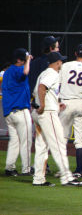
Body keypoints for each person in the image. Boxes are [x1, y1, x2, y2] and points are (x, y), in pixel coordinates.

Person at [32, 51, 82, 186]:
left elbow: (37, 92)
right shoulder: (52, 74)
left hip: (40, 114)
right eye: (60, 61)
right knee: (59, 145)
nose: (62, 63)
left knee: (42, 147)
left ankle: (38, 178)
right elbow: (41, 87)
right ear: (57, 63)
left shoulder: (43, 73)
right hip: (47, 113)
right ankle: (67, 178)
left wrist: (55, 103)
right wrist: (44, 105)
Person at [58, 44, 82, 177]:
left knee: (62, 137)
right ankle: (79, 170)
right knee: (80, 140)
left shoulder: (65, 66)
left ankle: (63, 169)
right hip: (81, 104)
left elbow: (59, 85)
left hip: (66, 103)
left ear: (75, 53)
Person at [2, 48, 33, 176]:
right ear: (20, 60)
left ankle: (9, 167)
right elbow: (25, 72)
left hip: (9, 113)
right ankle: (26, 169)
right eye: (25, 58)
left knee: (15, 141)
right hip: (20, 111)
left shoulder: (7, 72)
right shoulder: (18, 69)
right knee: (26, 140)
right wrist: (28, 62)